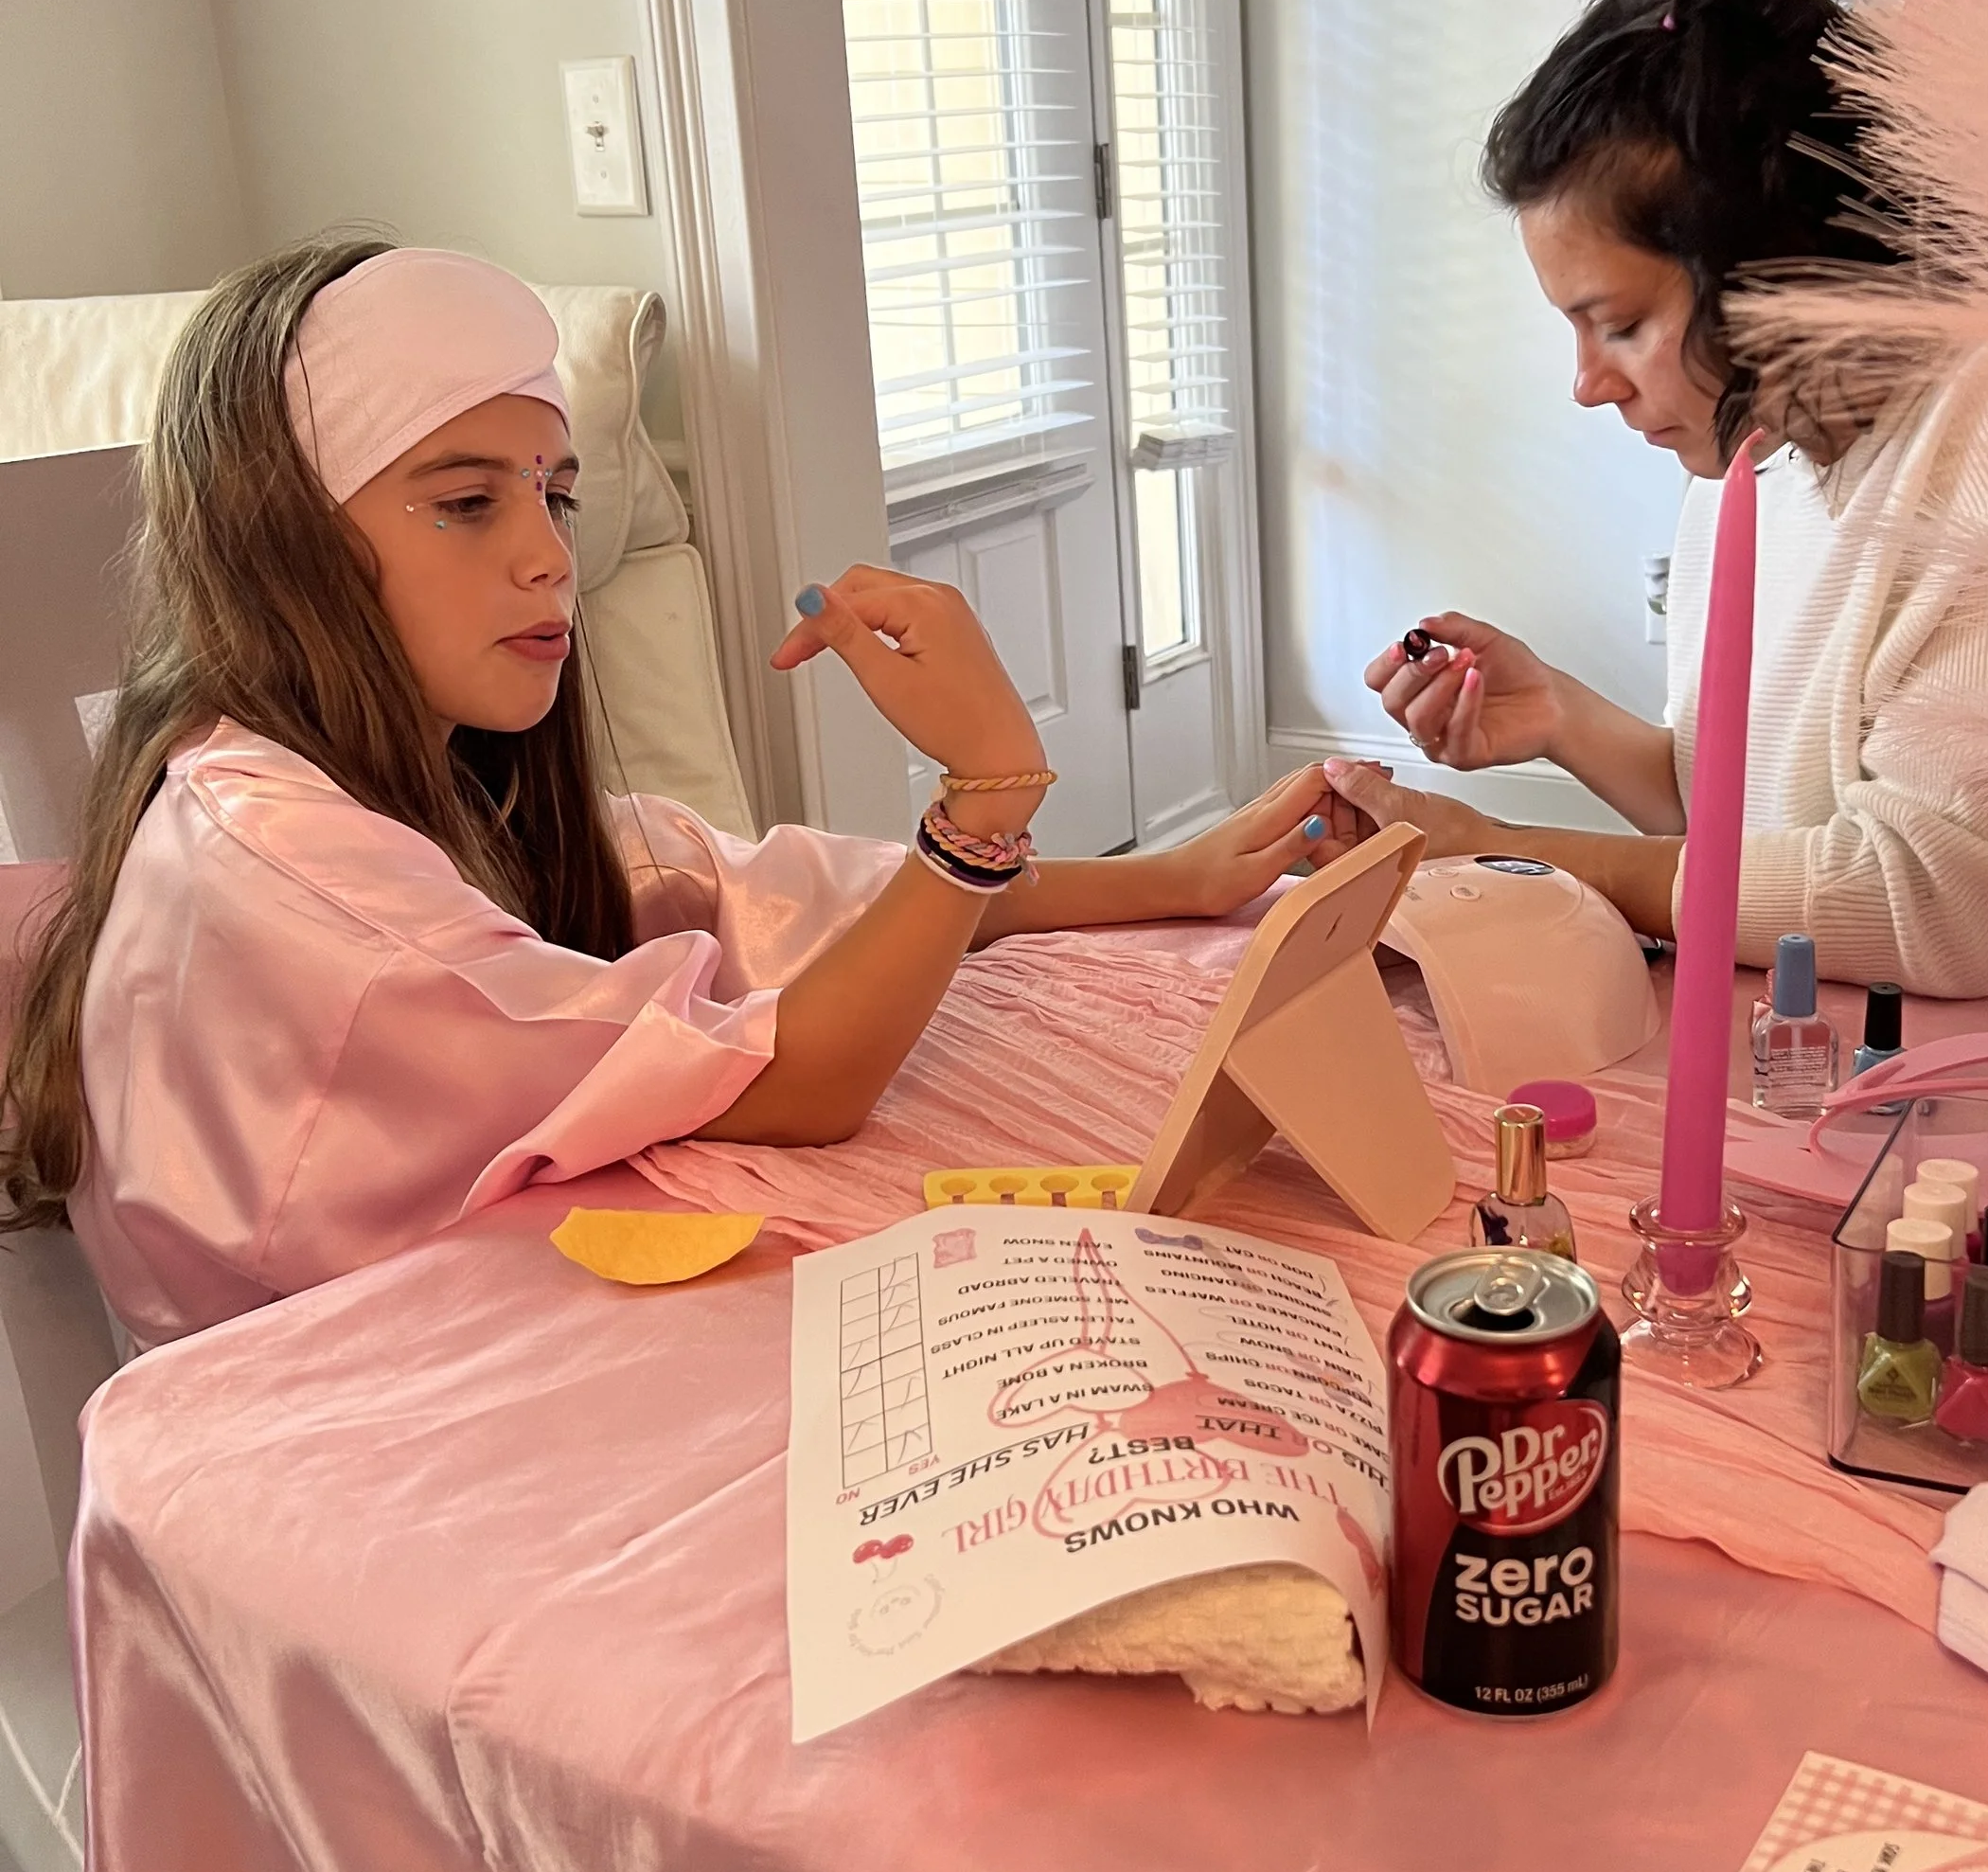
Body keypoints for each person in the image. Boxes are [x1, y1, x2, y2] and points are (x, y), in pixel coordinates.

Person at [0, 241, 1338, 1345]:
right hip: (335, 1439)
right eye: (467, 503)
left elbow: (777, 893)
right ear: (278, 538)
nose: (546, 559)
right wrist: (980, 801)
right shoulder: (290, 873)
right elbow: (801, 1078)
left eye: (556, 499)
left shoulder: (413, 782)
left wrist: (1176, 876)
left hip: (481, 1339)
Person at [1335, 0, 1988, 1027]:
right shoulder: (1761, 451)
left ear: (1768, 270)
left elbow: (1925, 903)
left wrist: (1511, 855)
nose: (1587, 385)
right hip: (1900, 1096)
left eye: (1620, 324)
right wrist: (1557, 713)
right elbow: (1750, 828)